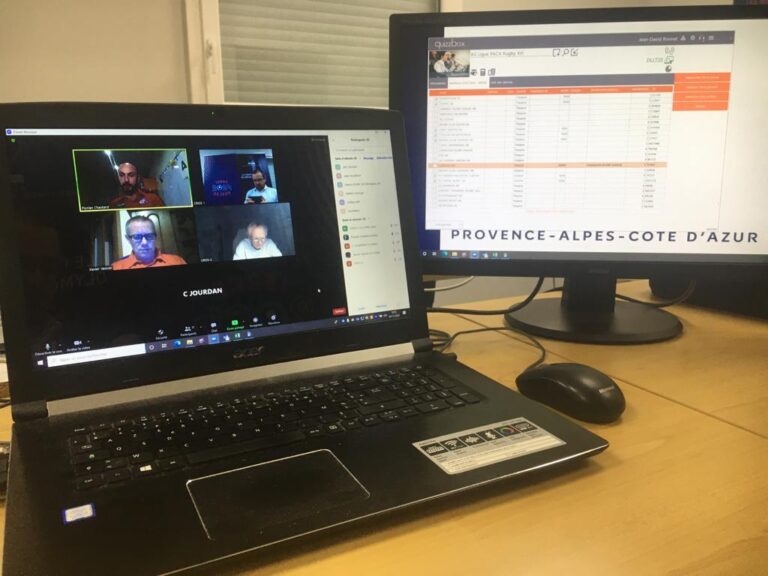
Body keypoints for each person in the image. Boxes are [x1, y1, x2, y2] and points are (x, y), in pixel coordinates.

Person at [111, 216, 186, 270]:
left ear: (155, 237)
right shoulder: (115, 267)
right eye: (137, 237)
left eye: (149, 236)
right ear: (128, 239)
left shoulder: (177, 261)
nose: (144, 243)